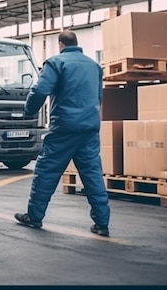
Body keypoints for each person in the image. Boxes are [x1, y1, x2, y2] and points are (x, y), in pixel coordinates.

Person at [14, 30, 111, 237]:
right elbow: (99, 97)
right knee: (93, 174)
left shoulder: (56, 63)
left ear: (60, 44)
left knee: (46, 171)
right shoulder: (94, 66)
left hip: (64, 129)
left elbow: (40, 90)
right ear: (77, 43)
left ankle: (35, 216)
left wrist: (29, 109)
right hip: (89, 128)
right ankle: (102, 223)